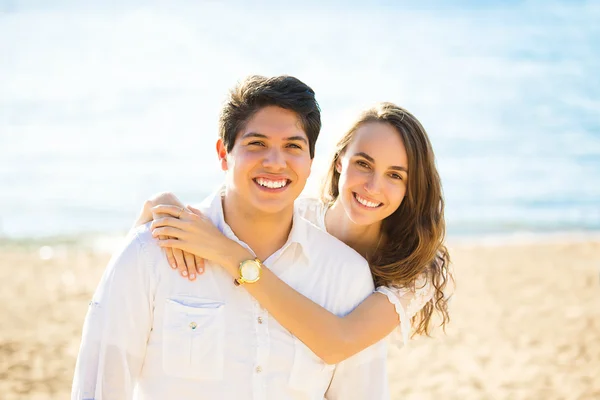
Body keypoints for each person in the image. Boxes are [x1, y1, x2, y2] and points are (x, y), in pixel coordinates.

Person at [71, 75, 389, 400]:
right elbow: (97, 389)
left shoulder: (344, 275)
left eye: (292, 146)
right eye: (257, 144)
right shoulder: (149, 253)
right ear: (224, 153)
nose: (275, 162)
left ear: (310, 161)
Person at [137, 101, 453, 365]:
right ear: (340, 160)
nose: (373, 186)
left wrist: (234, 257)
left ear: (411, 186)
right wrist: (160, 205)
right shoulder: (301, 215)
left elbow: (338, 344)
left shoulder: (415, 263)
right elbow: (232, 203)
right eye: (363, 164)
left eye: (394, 175)